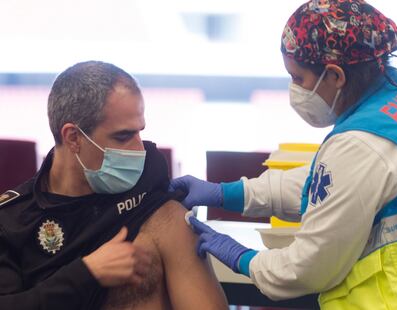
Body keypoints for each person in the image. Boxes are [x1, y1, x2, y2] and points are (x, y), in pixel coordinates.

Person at [170, 0, 397, 308]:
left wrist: (244, 259)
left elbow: (309, 268)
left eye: (298, 78)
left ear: (336, 76)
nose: (294, 89)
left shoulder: (360, 144)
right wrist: (228, 193)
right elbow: (333, 186)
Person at [0, 61, 228, 310]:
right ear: (73, 137)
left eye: (139, 131)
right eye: (122, 136)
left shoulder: (155, 197)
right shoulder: (14, 220)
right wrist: (87, 273)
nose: (139, 149)